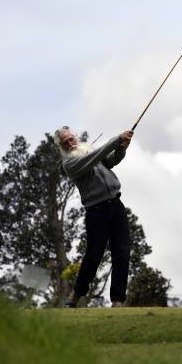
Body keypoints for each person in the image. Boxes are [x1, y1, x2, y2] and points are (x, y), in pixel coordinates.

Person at [53, 126, 134, 308]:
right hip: (96, 211)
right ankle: (76, 294)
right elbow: (96, 157)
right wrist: (116, 139)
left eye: (71, 138)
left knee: (122, 252)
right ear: (61, 146)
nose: (70, 143)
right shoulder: (69, 164)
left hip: (116, 204)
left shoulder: (87, 150)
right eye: (65, 142)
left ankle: (117, 300)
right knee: (94, 255)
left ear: (75, 136)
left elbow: (111, 161)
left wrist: (122, 147)